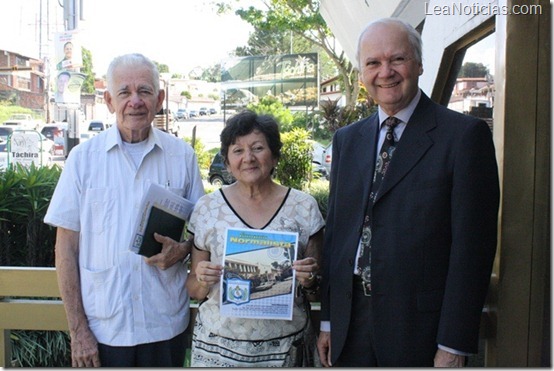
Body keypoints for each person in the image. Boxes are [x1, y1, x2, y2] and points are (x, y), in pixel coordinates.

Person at [317, 18, 500, 367]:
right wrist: (328, 321)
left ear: (418, 63)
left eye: (396, 59)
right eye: (373, 63)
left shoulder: (464, 137)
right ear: (361, 73)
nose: (385, 72)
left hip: (420, 331)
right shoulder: (346, 140)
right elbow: (338, 235)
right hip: (349, 322)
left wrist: (454, 343)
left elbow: (472, 249)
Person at [44, 53, 205, 367]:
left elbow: (202, 233)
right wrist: (78, 331)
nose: (135, 101)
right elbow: (66, 248)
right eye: (125, 92)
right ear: (108, 100)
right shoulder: (83, 159)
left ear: (159, 99)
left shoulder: (181, 156)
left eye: (144, 91)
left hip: (165, 323)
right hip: (104, 328)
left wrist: (183, 250)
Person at [185, 110, 324, 367]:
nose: (248, 158)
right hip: (218, 350)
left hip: (285, 350)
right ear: (226, 161)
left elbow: (318, 291)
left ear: (274, 155)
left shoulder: (304, 207)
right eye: (237, 150)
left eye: (258, 148)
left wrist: (310, 278)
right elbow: (193, 288)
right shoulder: (207, 208)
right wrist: (203, 279)